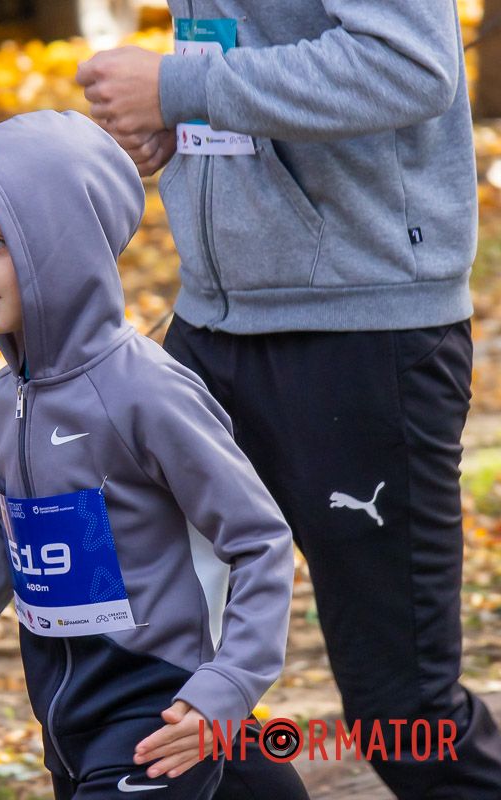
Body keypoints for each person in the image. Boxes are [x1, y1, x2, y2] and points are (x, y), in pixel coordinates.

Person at [75, 2, 501, 798]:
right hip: (207, 323)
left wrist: (181, 84)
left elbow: (411, 65)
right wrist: (181, 123)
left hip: (362, 333)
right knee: (153, 673)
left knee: (404, 717)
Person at [0, 110, 296, 799]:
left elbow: (261, 541)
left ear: (62, 247)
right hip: (68, 727)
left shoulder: (146, 392)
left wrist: (226, 687)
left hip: (158, 715)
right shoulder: (5, 398)